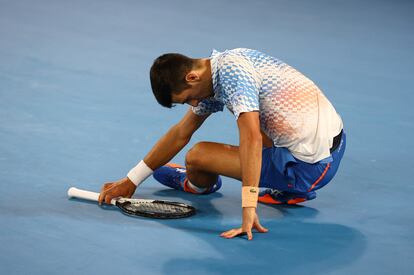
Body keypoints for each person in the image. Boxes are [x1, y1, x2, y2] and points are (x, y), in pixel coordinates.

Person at [98, 48, 346, 241]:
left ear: (192, 77)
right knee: (260, 115)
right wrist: (132, 179)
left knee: (198, 155)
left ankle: (197, 185)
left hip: (311, 168)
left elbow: (251, 138)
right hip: (337, 142)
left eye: (188, 99)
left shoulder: (231, 80)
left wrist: (248, 206)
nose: (193, 104)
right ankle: (291, 184)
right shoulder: (226, 64)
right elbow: (180, 132)